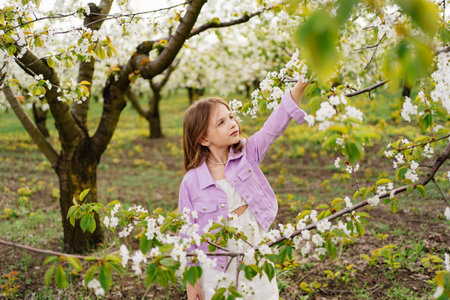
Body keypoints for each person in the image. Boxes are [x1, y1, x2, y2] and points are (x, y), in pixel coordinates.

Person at [178, 79, 309, 300]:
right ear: (203, 139)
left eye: (230, 116)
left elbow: (272, 128)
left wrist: (298, 89)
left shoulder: (247, 155)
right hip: (217, 267)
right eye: (221, 122)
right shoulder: (192, 182)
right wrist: (192, 284)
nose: (232, 123)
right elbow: (187, 235)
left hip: (253, 255)